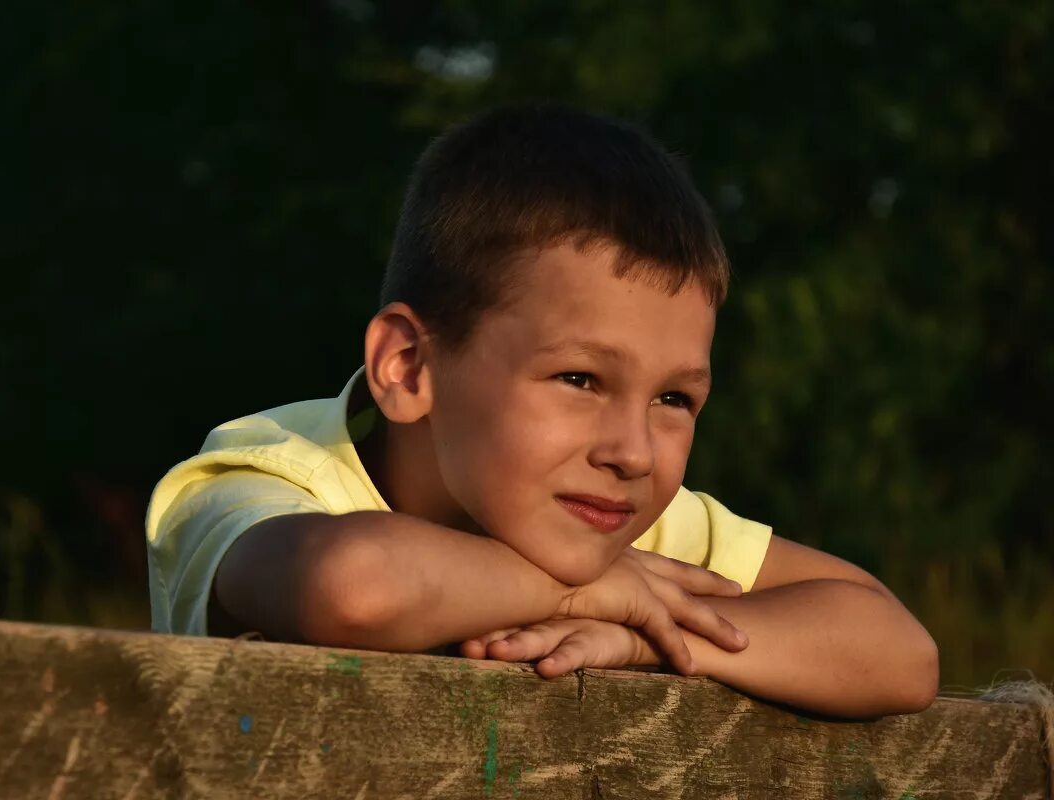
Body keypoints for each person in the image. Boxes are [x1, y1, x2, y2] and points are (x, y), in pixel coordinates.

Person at [145, 104, 938, 718]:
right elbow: (353, 586)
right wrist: (595, 594)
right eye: (581, 380)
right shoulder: (261, 475)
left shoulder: (618, 526)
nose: (633, 451)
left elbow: (899, 652)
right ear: (409, 367)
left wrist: (652, 640)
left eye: (673, 398)